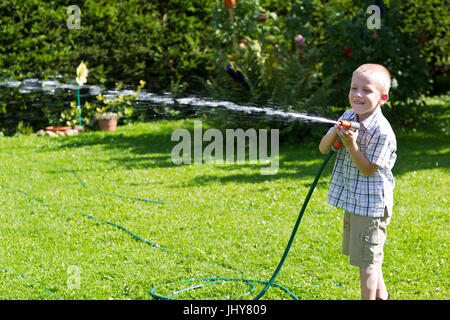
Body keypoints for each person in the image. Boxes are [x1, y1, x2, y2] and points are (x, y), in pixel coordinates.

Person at [318, 63, 397, 300]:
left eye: (366, 90)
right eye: (354, 88)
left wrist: (352, 145)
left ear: (383, 98)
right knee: (367, 256)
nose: (358, 95)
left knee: (368, 264)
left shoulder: (382, 131)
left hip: (371, 206)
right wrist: (335, 131)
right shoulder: (348, 116)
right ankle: (383, 297)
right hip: (355, 201)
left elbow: (367, 169)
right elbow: (323, 149)